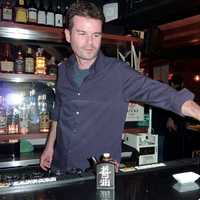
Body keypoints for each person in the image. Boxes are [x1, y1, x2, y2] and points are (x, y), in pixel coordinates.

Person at [40, 1, 200, 172]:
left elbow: (165, 95)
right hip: (60, 167)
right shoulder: (63, 70)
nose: (90, 43)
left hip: (99, 175)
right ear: (68, 35)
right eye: (82, 34)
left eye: (96, 35)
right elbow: (58, 113)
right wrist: (49, 147)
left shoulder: (117, 72)